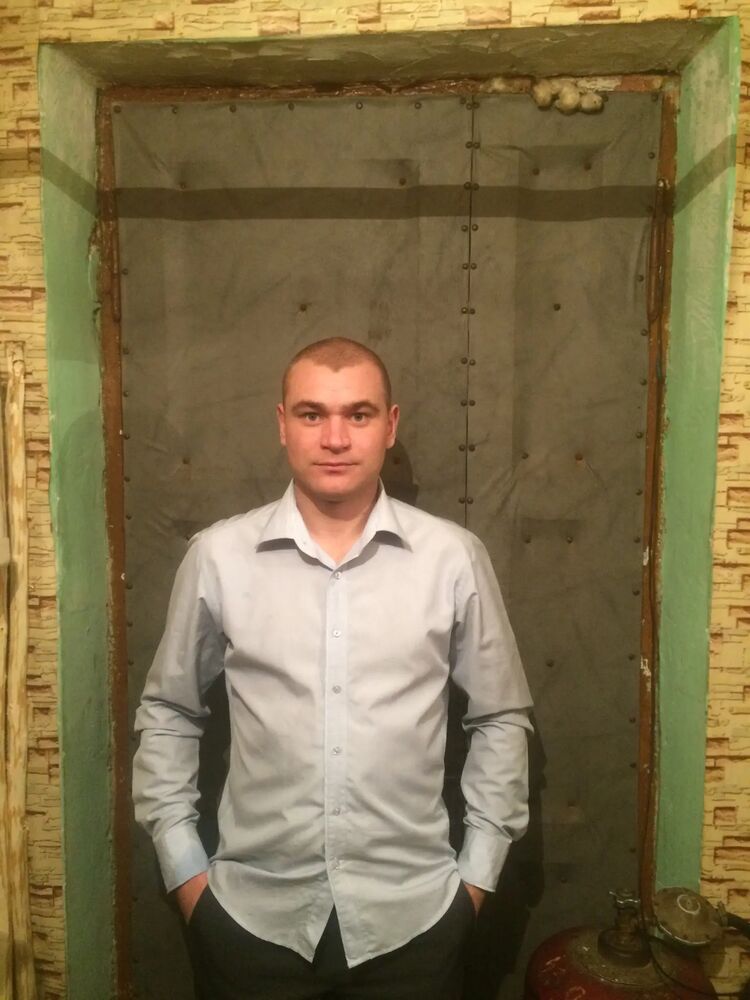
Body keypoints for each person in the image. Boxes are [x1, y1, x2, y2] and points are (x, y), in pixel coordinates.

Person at [132, 336, 533, 1000]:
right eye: (313, 414)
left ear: (390, 425)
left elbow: (500, 717)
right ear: (282, 424)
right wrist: (187, 877)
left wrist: (474, 886)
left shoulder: (453, 558)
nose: (336, 438)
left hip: (416, 928)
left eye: (359, 414)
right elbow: (169, 711)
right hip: (249, 926)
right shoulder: (219, 557)